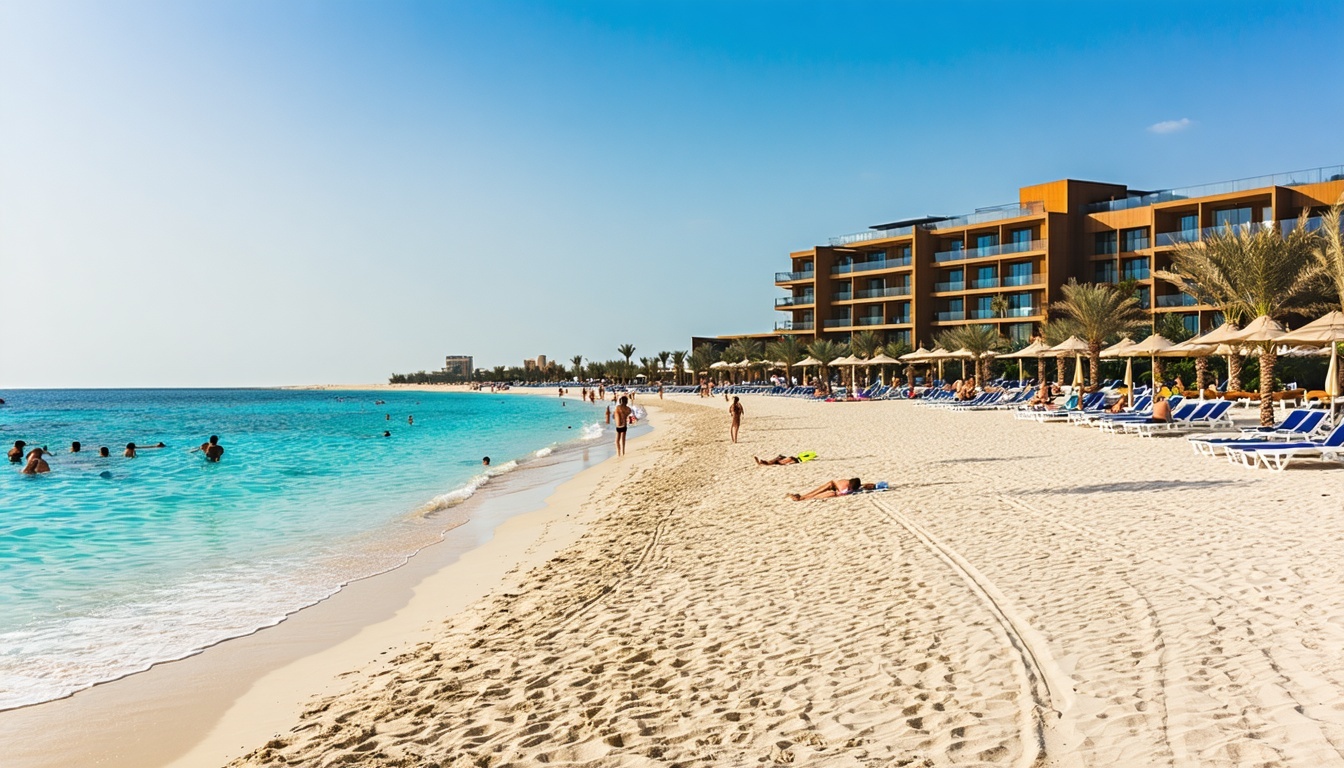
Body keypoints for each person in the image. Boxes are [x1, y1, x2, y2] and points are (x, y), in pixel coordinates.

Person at [787, 477, 875, 501]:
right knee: (818, 491)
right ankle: (803, 497)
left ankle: (803, 498)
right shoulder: (846, 485)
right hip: (834, 486)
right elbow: (834, 482)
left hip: (834, 489)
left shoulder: (854, 487)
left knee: (826, 492)